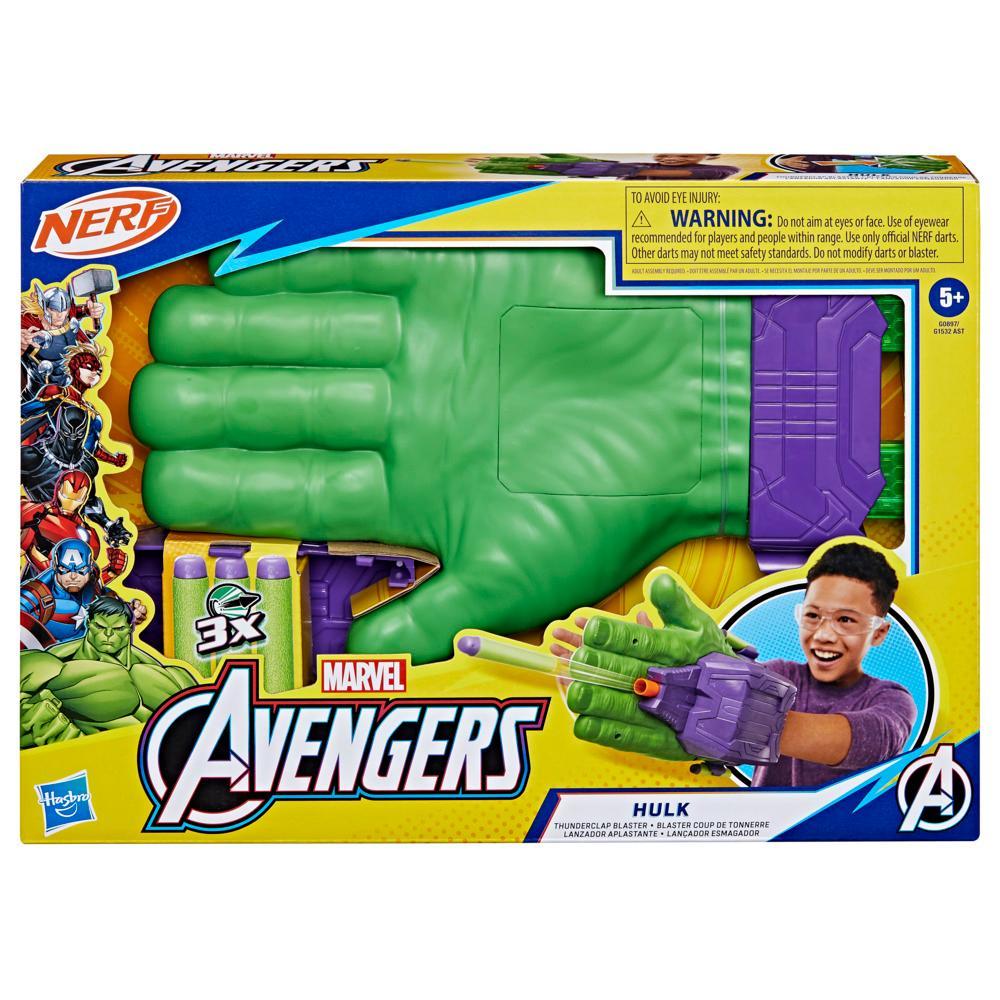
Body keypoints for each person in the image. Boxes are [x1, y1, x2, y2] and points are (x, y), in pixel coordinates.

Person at [551, 542, 917, 788]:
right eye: (813, 615)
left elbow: (875, 741)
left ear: (879, 632)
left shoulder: (891, 699)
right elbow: (700, 710)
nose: (823, 635)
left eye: (846, 620)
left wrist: (748, 718)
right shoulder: (778, 675)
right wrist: (643, 687)